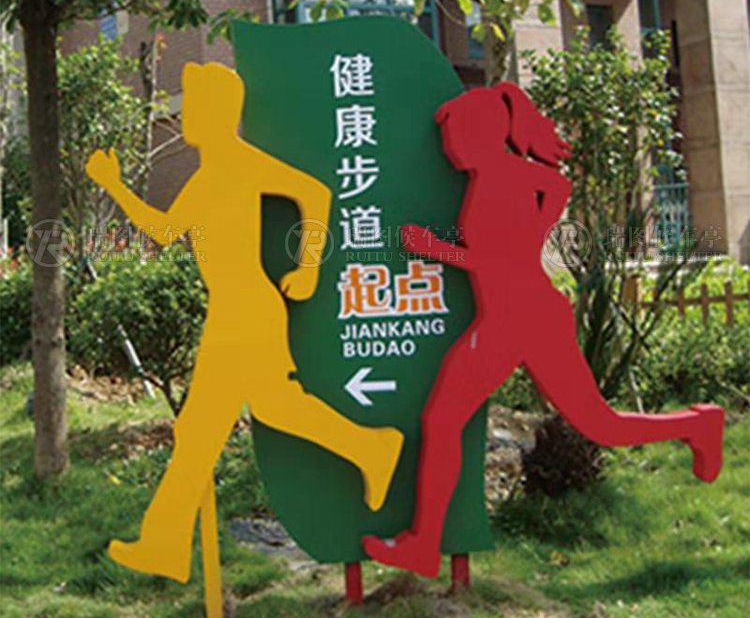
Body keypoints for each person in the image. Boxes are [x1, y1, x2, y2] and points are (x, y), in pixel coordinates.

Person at [363, 83, 724, 579]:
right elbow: (554, 190)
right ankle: (424, 543)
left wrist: (433, 249)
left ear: (479, 134)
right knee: (465, 421)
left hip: (522, 319)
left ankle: (698, 425)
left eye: (453, 136)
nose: (447, 147)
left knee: (591, 425)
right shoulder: (499, 176)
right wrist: (535, 230)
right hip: (511, 317)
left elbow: (500, 261)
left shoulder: (501, 180)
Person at [87, 62, 403, 583]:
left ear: (217, 113)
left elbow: (316, 194)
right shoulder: (205, 176)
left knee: (201, 430)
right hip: (232, 312)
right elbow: (164, 232)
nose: (185, 116)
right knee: (265, 412)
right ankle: (372, 447)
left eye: (193, 107)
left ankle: (165, 545)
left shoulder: (241, 162)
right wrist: (115, 186)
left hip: (248, 310)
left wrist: (308, 266)